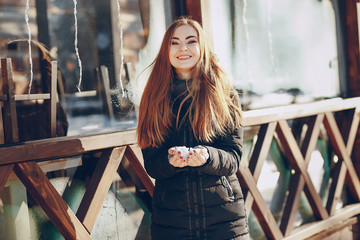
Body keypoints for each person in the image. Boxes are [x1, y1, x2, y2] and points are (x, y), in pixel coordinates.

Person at [137, 17, 250, 240]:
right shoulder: (153, 98)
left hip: (224, 221)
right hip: (172, 223)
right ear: (165, 50)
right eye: (175, 42)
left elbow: (233, 158)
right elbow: (152, 165)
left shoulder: (224, 95)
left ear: (202, 47)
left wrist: (208, 156)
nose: (183, 48)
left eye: (191, 41)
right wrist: (170, 161)